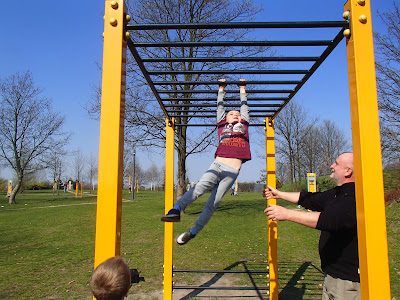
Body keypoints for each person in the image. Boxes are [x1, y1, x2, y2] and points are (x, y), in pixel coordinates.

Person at [161, 78, 251, 245]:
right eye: (232, 113)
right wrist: (221, 89)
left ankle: (193, 232)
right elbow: (219, 107)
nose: (236, 115)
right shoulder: (222, 124)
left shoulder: (244, 124)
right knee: (199, 189)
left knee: (213, 204)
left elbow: (244, 106)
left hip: (231, 172)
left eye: (237, 113)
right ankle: (176, 209)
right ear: (225, 117)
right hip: (217, 165)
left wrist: (242, 89)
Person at [263, 152, 359, 300]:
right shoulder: (339, 193)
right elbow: (311, 199)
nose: (332, 166)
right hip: (333, 275)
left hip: (347, 282)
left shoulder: (354, 196)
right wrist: (279, 194)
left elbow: (330, 220)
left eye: (337, 163)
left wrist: (287, 214)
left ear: (348, 171)